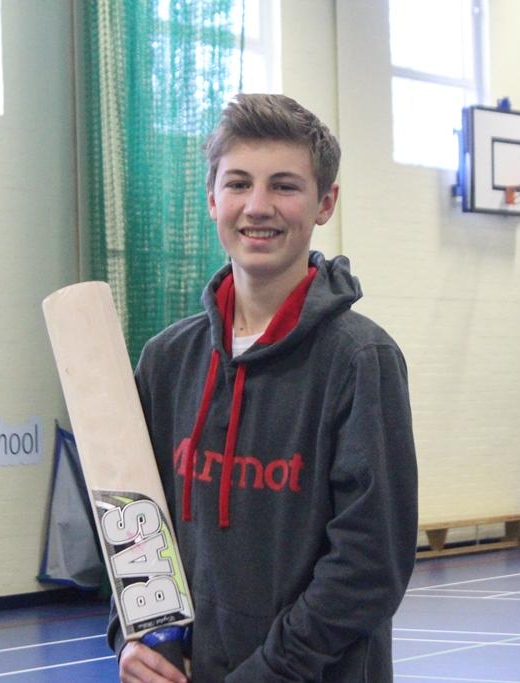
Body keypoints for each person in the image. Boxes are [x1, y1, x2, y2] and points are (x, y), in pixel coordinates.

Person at [111, 93, 418, 683]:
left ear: (325, 202)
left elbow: (369, 564)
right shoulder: (167, 360)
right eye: (238, 184)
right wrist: (136, 639)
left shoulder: (360, 361)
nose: (257, 207)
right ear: (211, 199)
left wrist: (268, 672)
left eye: (284, 185)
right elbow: (137, 527)